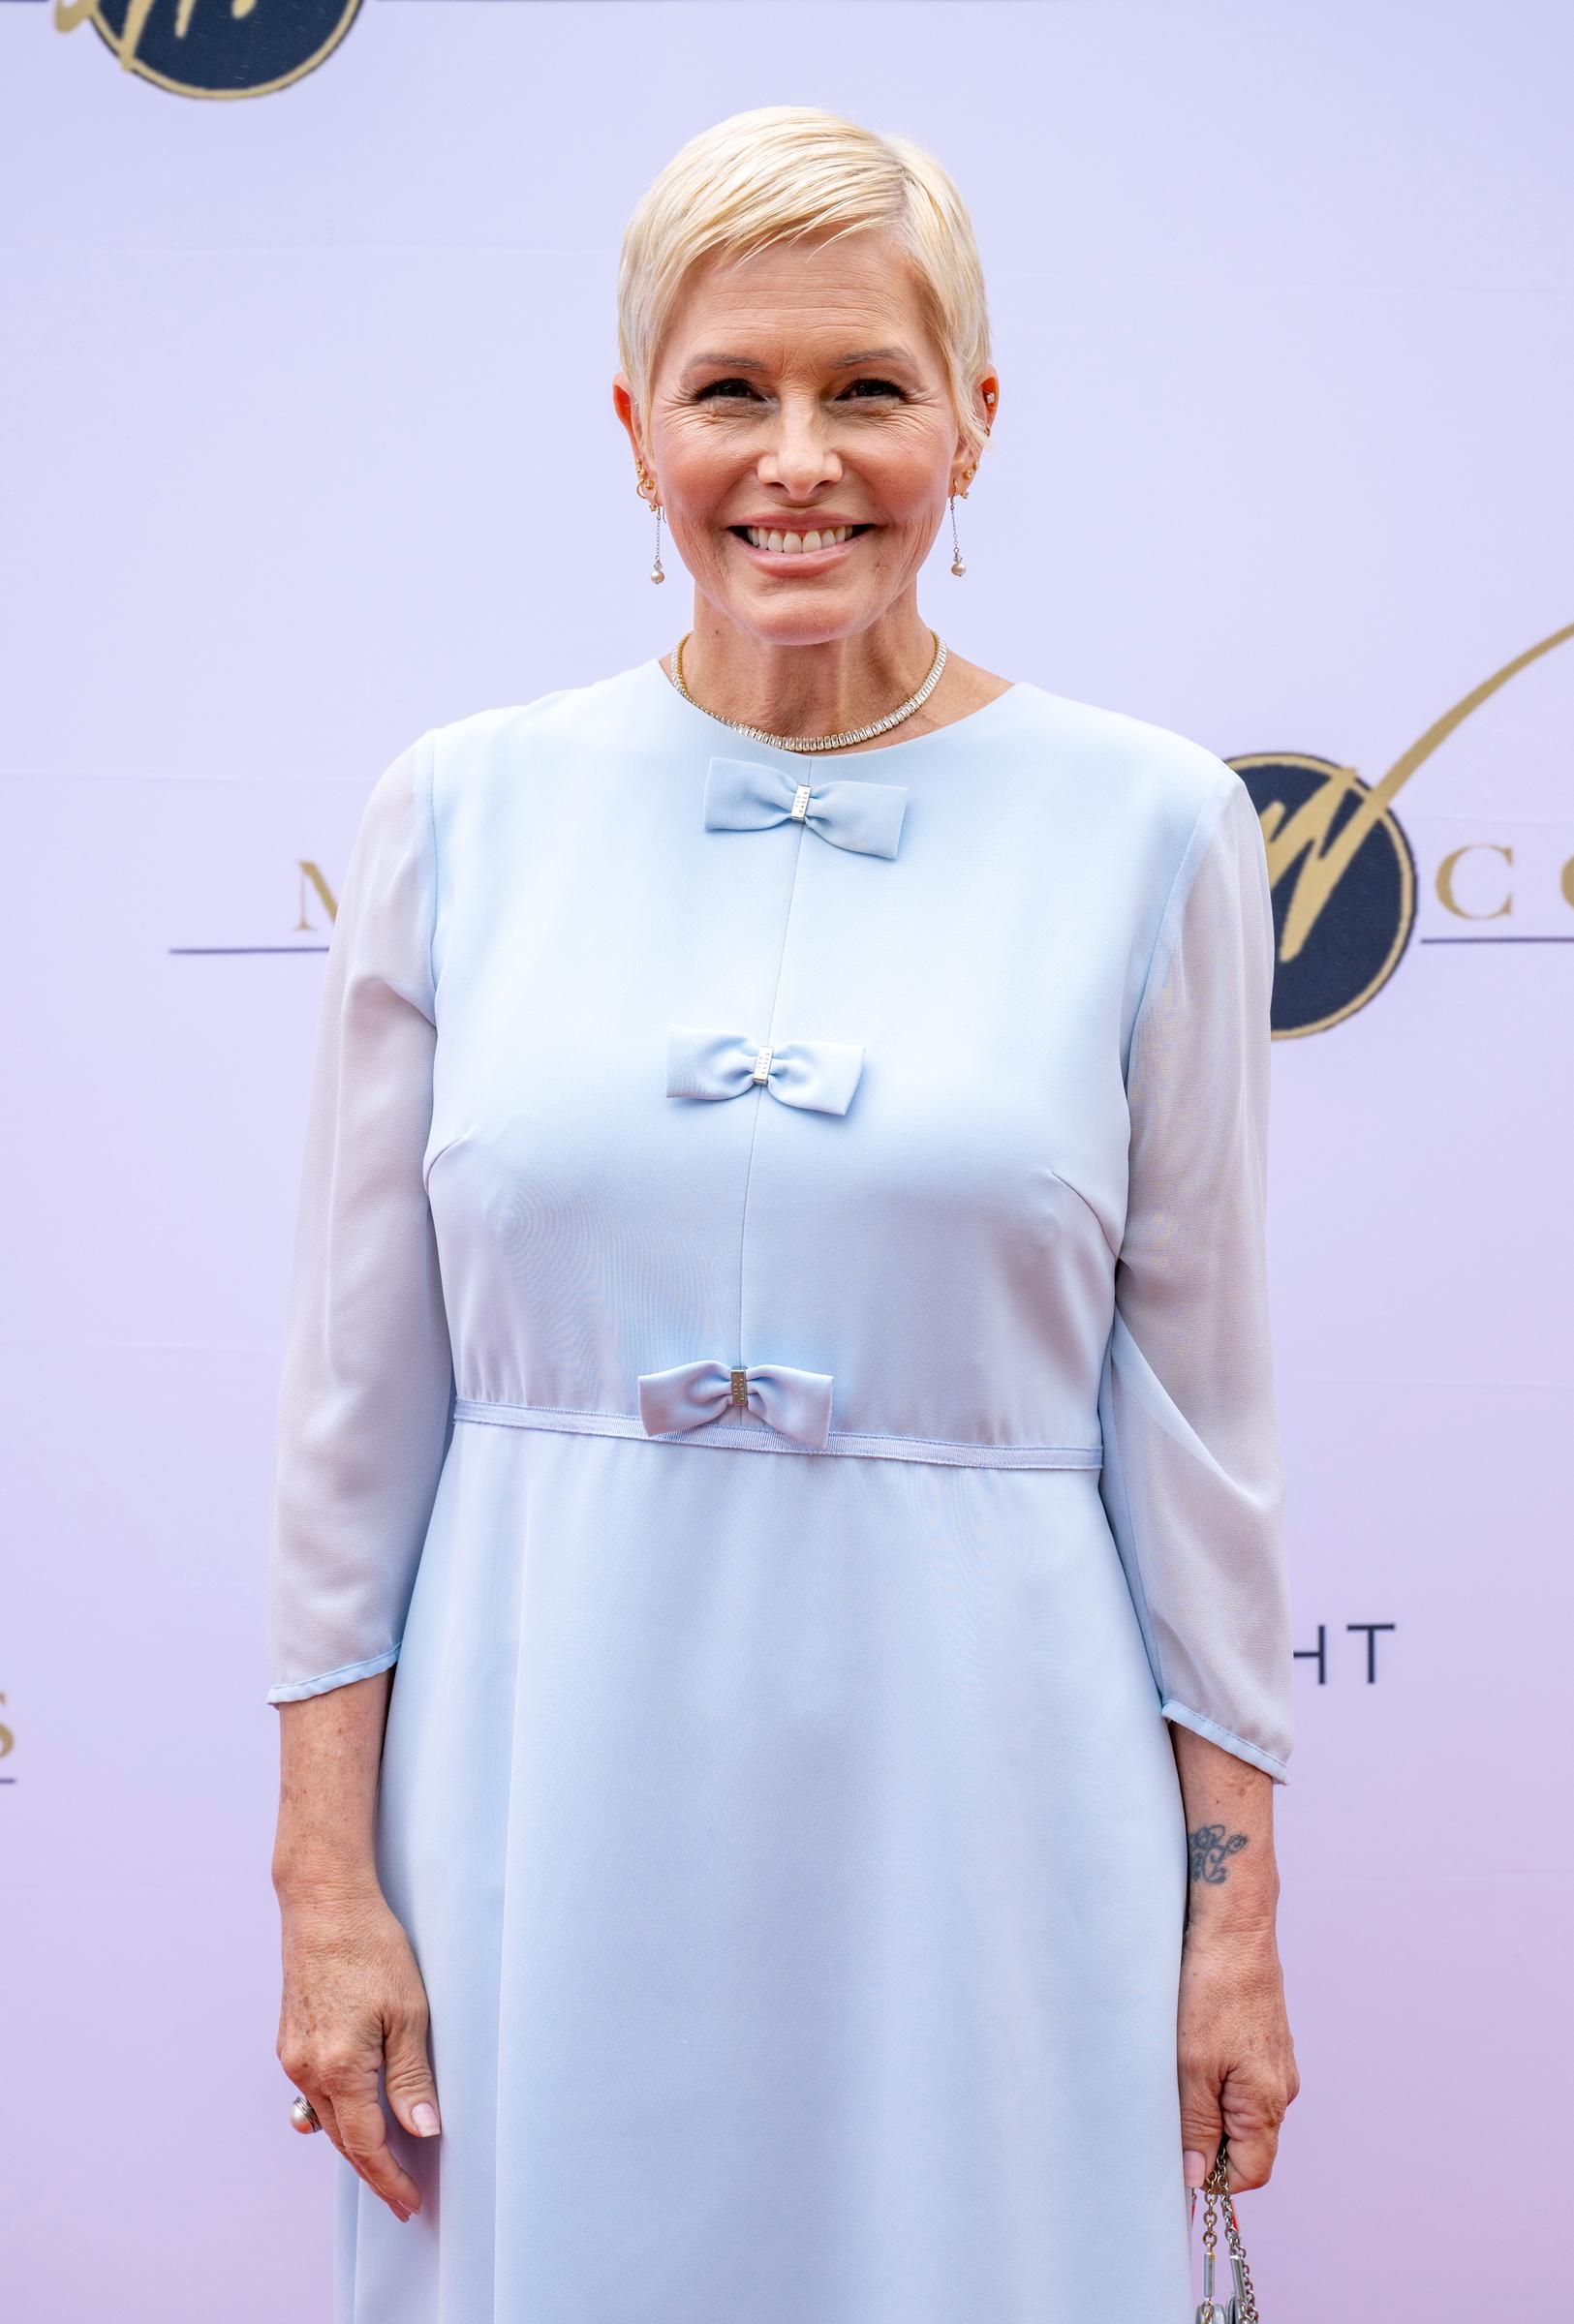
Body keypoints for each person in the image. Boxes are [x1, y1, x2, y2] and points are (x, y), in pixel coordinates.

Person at [266, 102, 1300, 2323]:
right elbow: (358, 1411)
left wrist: (1234, 1912)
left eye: (868, 391)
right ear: (639, 428)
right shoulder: (464, 812)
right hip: (537, 1770)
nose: (798, 460)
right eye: (734, 390)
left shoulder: (1154, 826)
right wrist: (322, 1885)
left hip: (989, 1777)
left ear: (975, 422)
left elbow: (1200, 1422)